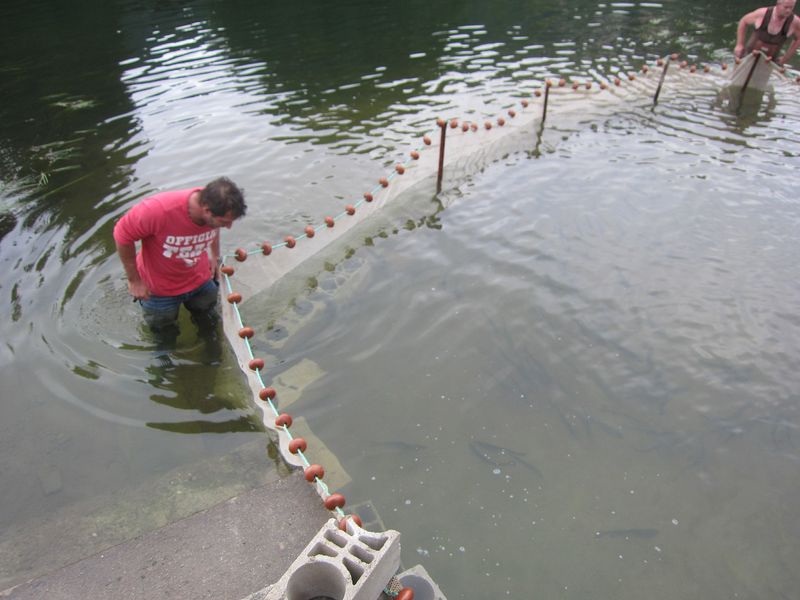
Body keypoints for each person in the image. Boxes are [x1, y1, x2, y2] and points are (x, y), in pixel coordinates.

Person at [114, 177, 247, 337]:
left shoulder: (214, 204)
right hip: (159, 291)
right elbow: (122, 235)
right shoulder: (157, 210)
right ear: (206, 210)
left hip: (200, 281)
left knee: (209, 324)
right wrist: (134, 281)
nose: (228, 227)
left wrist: (214, 255)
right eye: (224, 222)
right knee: (164, 335)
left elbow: (214, 226)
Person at [734, 0, 800, 65]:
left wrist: (785, 58)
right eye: (786, 7)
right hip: (748, 56)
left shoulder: (794, 22)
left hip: (769, 62)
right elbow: (744, 21)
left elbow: (798, 39)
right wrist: (739, 44)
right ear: (778, 4)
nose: (788, 10)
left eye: (791, 7)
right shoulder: (762, 13)